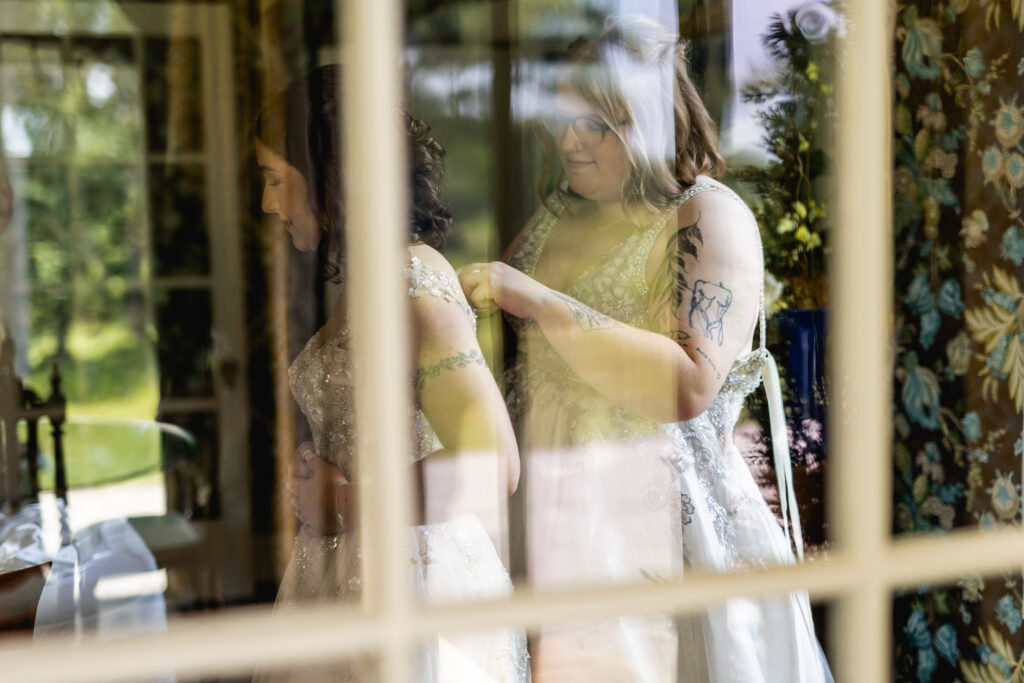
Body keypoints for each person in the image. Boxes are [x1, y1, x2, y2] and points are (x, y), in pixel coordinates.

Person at [459, 15, 832, 683]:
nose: (570, 141)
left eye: (596, 125)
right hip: (551, 516)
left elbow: (690, 384)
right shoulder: (554, 217)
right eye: (561, 119)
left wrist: (539, 300)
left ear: (653, 120)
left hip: (660, 532)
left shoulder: (707, 217)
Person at [254, 64, 530, 682]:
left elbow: (494, 464)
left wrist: (345, 501)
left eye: (275, 181)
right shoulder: (368, 276)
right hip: (349, 565)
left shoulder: (412, 284)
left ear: (329, 175)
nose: (267, 203)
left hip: (412, 579)